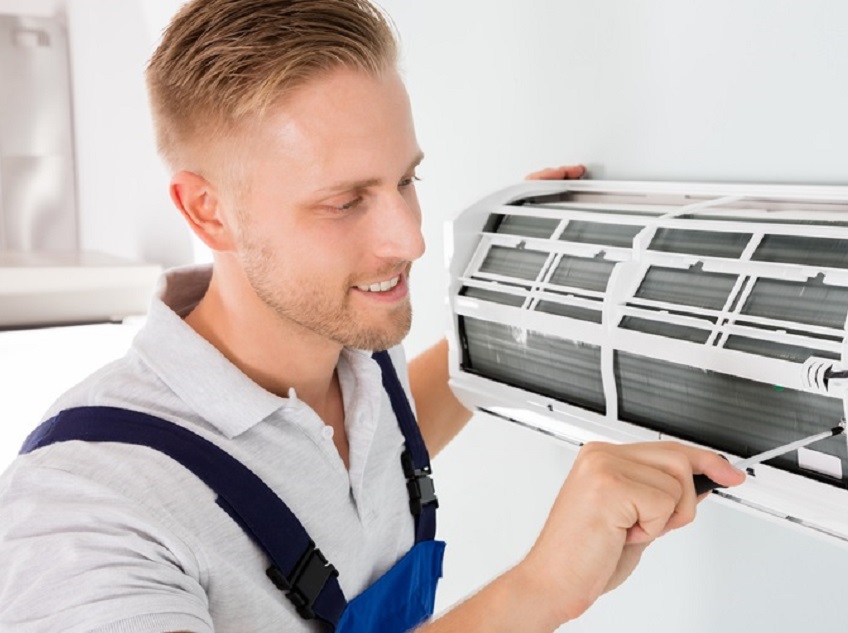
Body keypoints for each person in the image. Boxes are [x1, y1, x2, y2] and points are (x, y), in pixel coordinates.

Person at [0, 1, 746, 631]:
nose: (410, 239)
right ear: (208, 210)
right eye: (345, 201)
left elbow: (372, 443)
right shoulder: (86, 514)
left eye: (406, 179)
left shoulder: (344, 356)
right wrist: (537, 592)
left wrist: (511, 299)